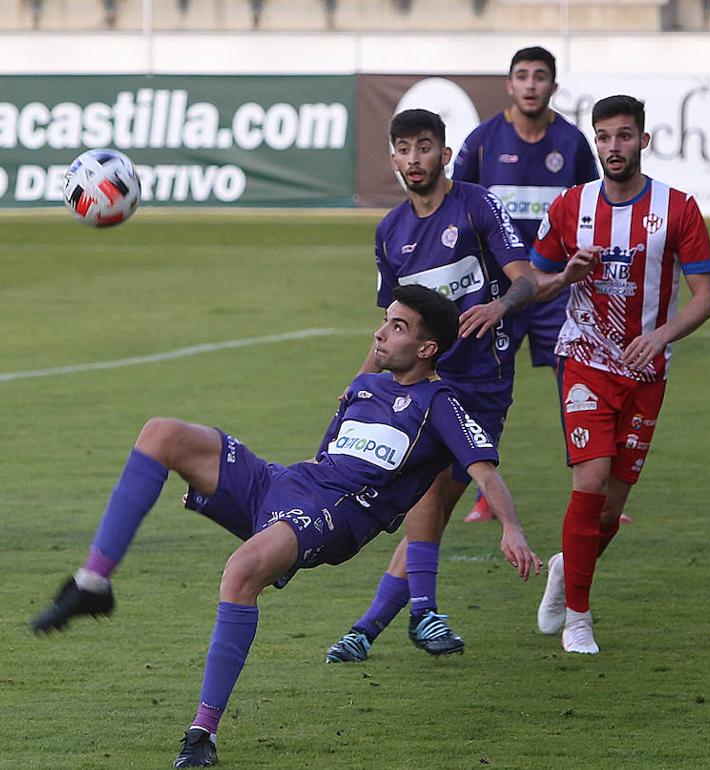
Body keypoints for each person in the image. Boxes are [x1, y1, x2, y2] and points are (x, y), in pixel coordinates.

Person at [29, 285, 541, 769]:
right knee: (161, 434)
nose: (380, 333)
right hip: (292, 485)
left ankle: (202, 732)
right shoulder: (363, 389)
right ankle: (93, 582)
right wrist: (230, 503)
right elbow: (321, 464)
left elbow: (485, 472)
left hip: (337, 514)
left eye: (398, 327)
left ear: (427, 349)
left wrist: (512, 529)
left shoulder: (440, 405)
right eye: (385, 321)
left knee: (241, 571)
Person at [323, 109, 538, 663]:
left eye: (424, 147)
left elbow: (526, 280)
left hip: (483, 383)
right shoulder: (390, 231)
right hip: (425, 383)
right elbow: (393, 326)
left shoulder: (476, 205)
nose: (413, 158)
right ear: (393, 158)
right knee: (426, 497)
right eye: (403, 148)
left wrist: (499, 306)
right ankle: (414, 616)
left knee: (434, 506)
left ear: (444, 154)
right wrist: (358, 385)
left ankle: (369, 628)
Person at [527, 95, 710, 654]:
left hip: (646, 370)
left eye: (625, 136)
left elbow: (706, 296)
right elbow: (532, 282)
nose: (614, 147)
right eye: (605, 137)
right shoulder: (571, 206)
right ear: (596, 142)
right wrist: (565, 277)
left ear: (644, 141)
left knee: (610, 507)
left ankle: (567, 567)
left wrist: (661, 336)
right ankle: (579, 619)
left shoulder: (678, 208)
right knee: (589, 483)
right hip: (584, 360)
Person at [452, 45, 600, 523]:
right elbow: (458, 204)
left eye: (540, 76)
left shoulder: (572, 143)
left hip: (558, 290)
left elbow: (593, 206)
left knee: (579, 388)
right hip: (501, 293)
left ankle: (596, 495)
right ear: (509, 84)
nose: (531, 84)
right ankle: (483, 493)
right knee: (486, 390)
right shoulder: (482, 142)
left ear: (553, 86)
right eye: (522, 75)